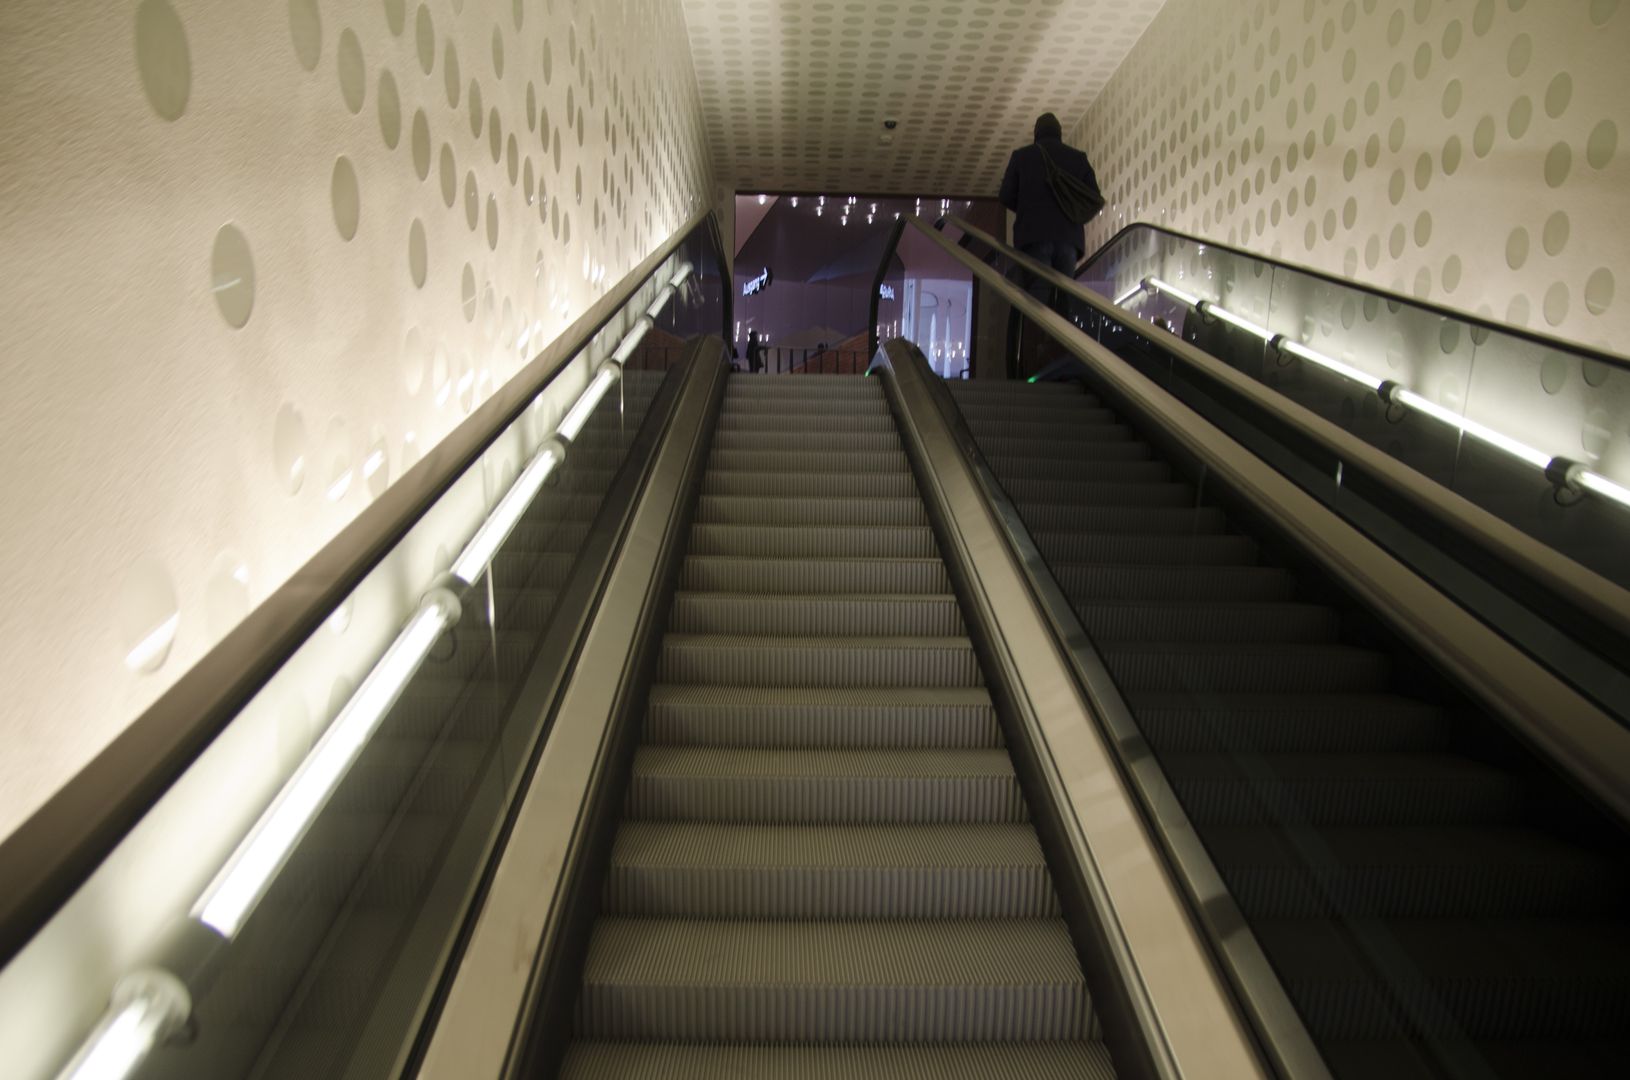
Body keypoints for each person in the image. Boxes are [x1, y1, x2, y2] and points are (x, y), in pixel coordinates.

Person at [998, 112, 1101, 307]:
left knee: (1037, 297)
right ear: (1059, 133)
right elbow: (1093, 196)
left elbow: (1005, 196)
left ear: (1036, 133)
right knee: (1064, 296)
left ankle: (1036, 326)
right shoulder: (1078, 158)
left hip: (1033, 236)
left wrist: (1026, 208)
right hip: (1068, 239)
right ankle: (1060, 326)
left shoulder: (1022, 156)